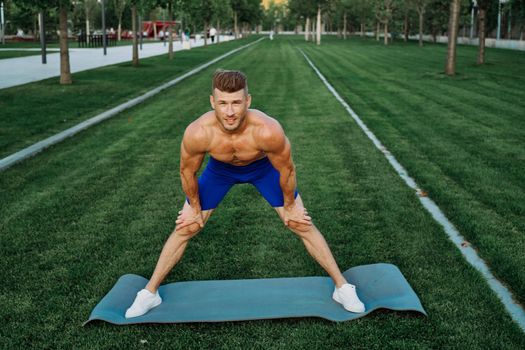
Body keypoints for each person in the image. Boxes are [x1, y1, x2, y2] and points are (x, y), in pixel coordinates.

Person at [125, 70, 365, 318]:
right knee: (187, 226)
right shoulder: (198, 132)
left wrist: (291, 204)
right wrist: (194, 207)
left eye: (236, 103)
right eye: (223, 103)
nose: (230, 112)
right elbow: (187, 172)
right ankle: (150, 294)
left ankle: (342, 287)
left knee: (299, 222)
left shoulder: (267, 130)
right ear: (212, 102)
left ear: (248, 101)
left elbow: (286, 169)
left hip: (263, 169)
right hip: (220, 171)